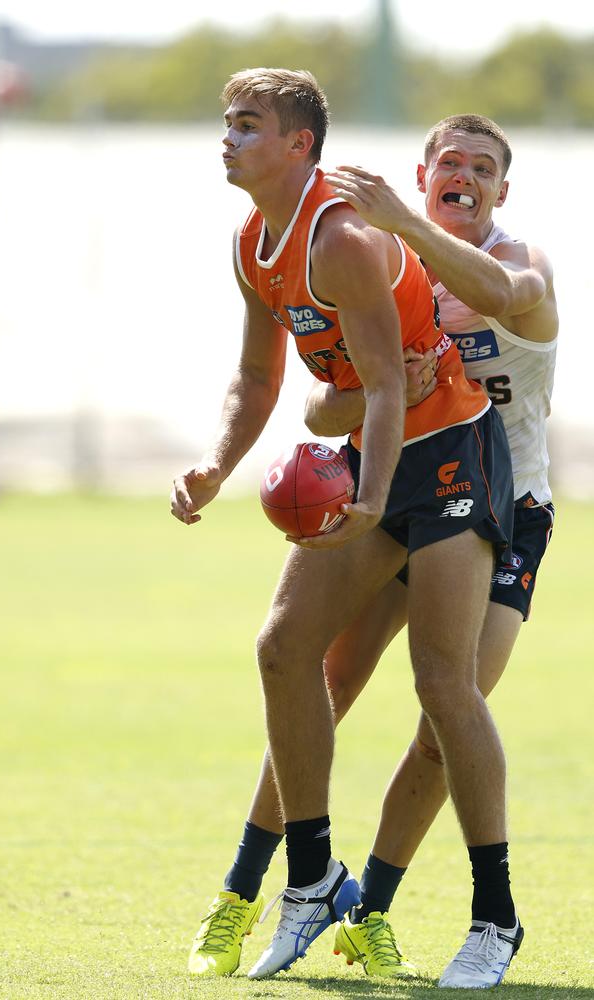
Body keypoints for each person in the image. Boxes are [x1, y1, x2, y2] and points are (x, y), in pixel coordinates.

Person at [186, 111, 557, 988]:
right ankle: (256, 888)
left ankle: (383, 914)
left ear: (501, 191)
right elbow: (323, 405)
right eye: (448, 162)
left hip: (501, 499)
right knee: (316, 675)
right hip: (394, 480)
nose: (463, 174)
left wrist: (402, 223)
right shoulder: (375, 256)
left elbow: (508, 303)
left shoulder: (511, 261)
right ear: (421, 171)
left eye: (482, 168)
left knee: (442, 712)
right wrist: (378, 396)